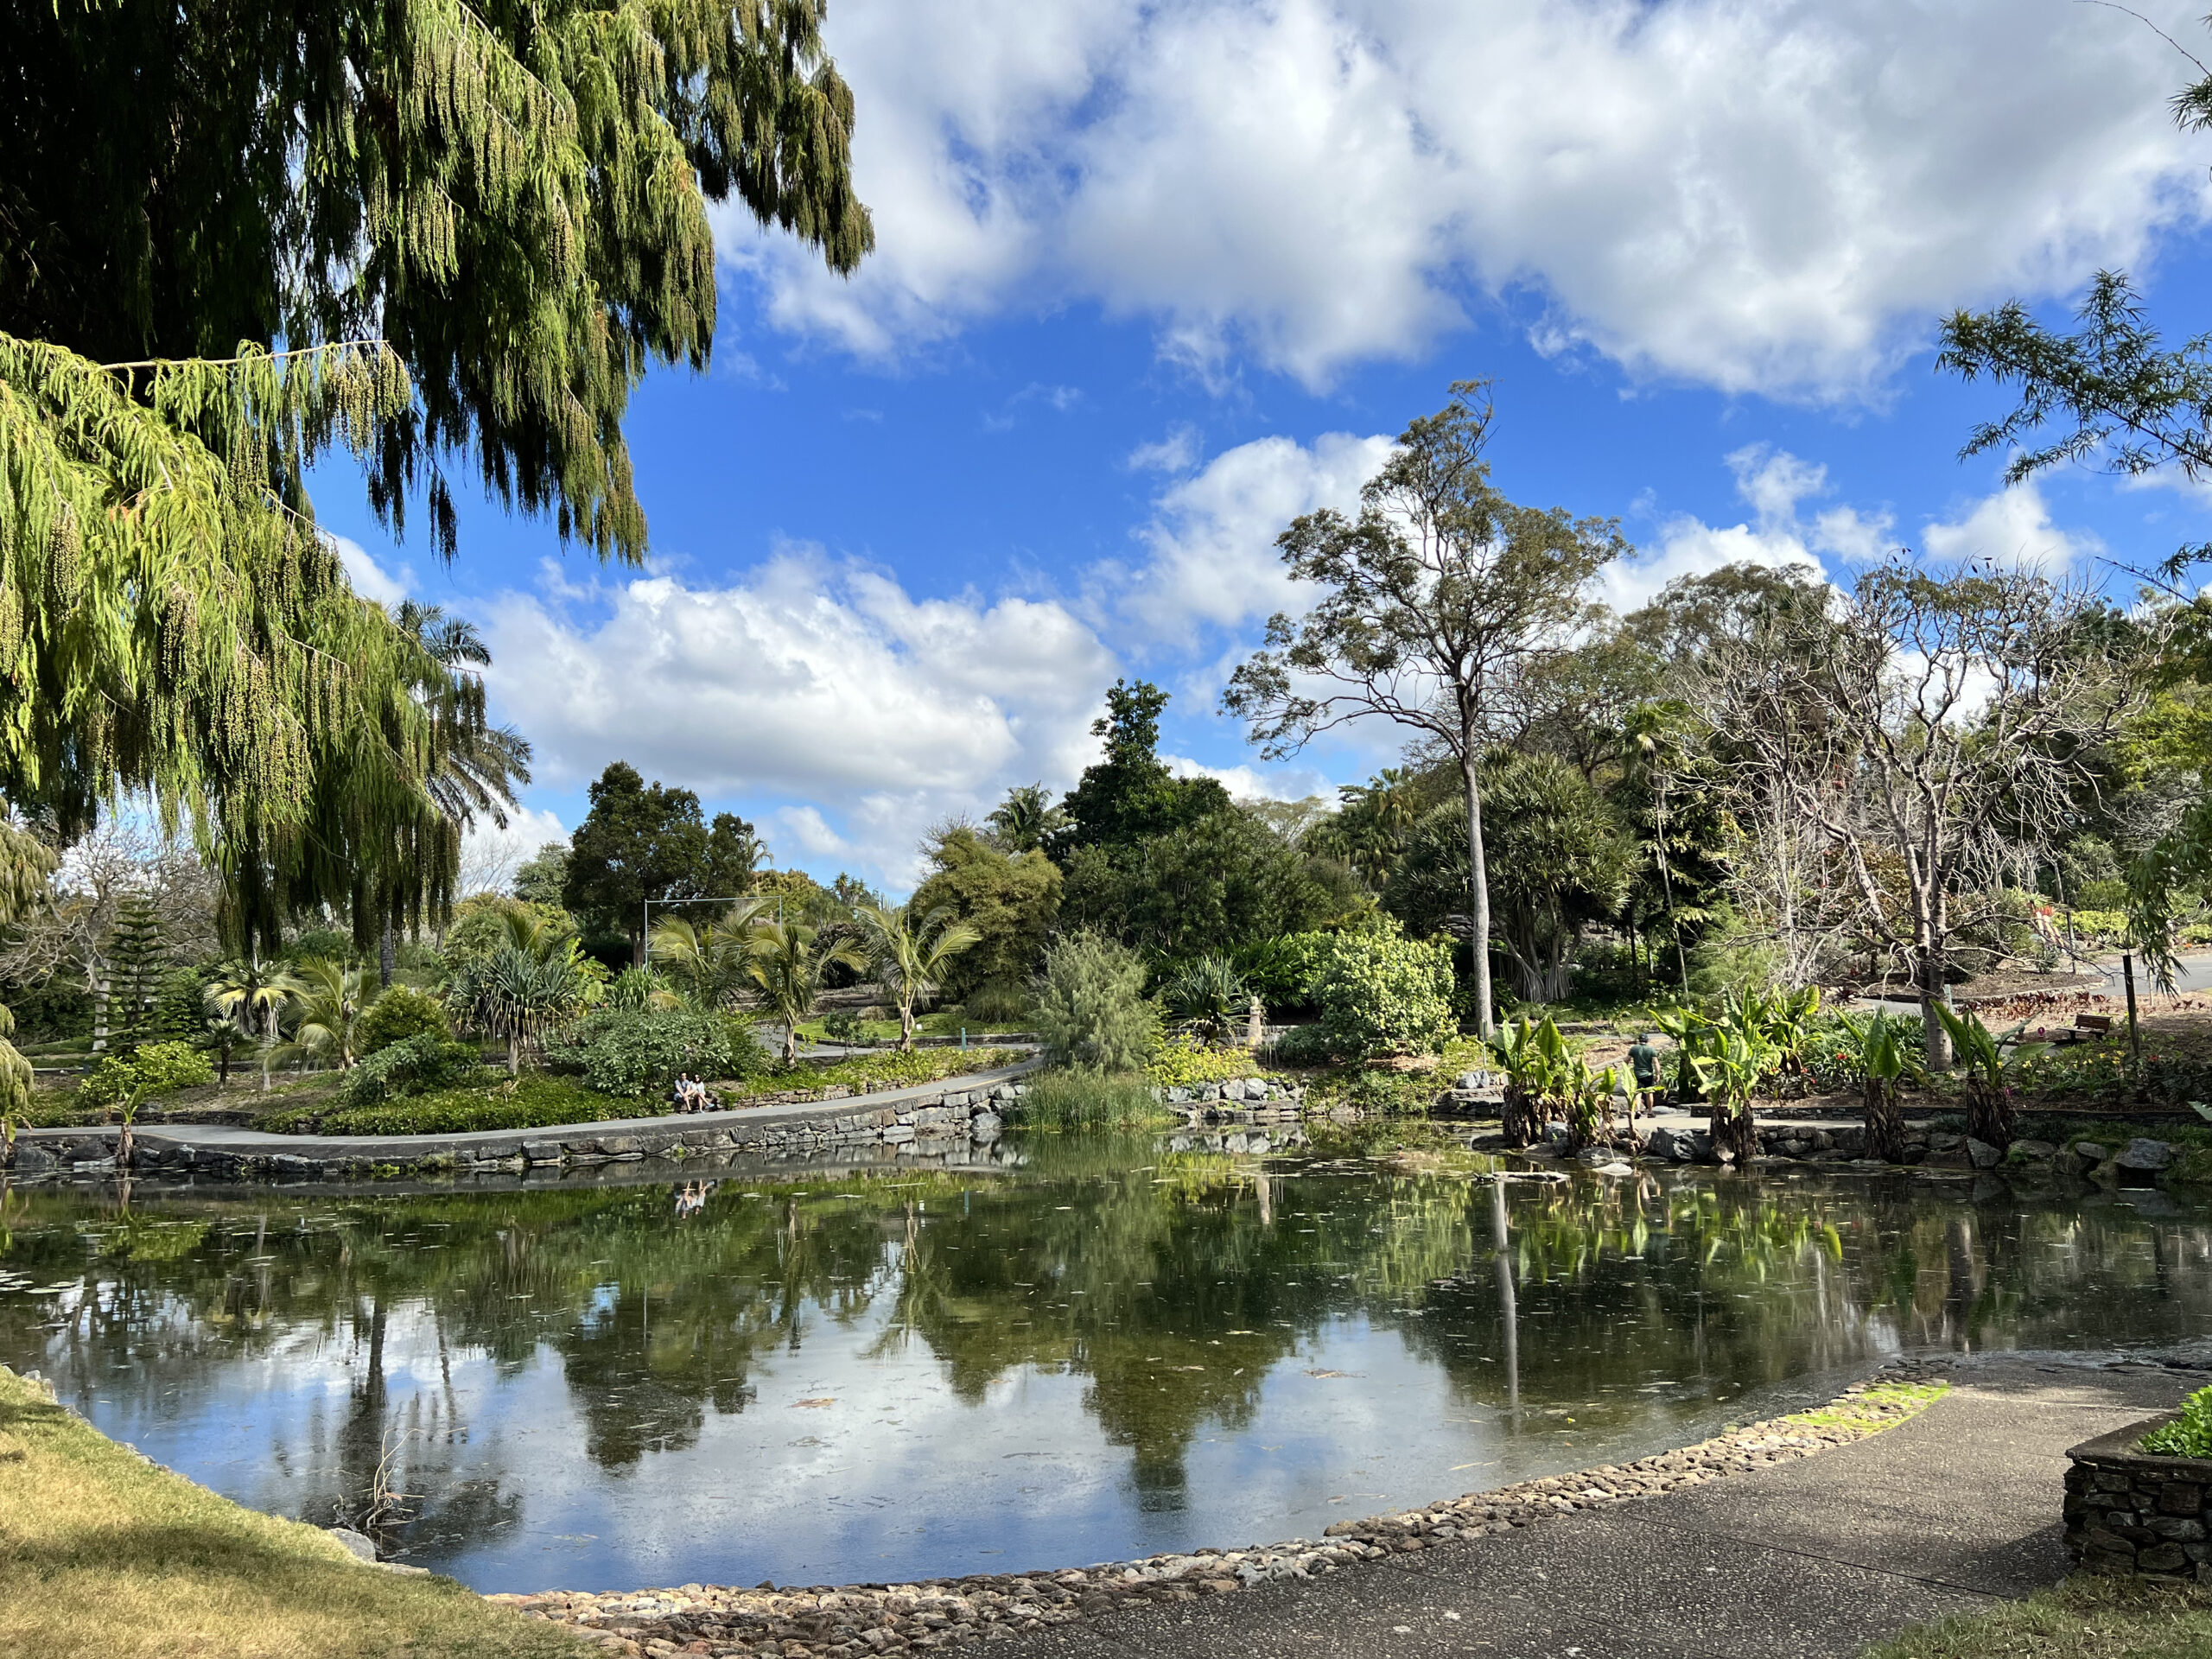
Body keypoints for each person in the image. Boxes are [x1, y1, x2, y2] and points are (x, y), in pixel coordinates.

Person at [1625, 1033, 1663, 1121]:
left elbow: (1626, 1060)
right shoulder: (1651, 1050)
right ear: (1647, 1040)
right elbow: (1656, 1062)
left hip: (1637, 1075)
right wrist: (1658, 1074)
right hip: (1648, 1075)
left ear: (1639, 1040)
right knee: (1649, 1093)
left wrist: (1625, 1070)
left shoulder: (1634, 1049)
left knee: (1638, 1093)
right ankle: (1650, 1112)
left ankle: (1638, 1110)